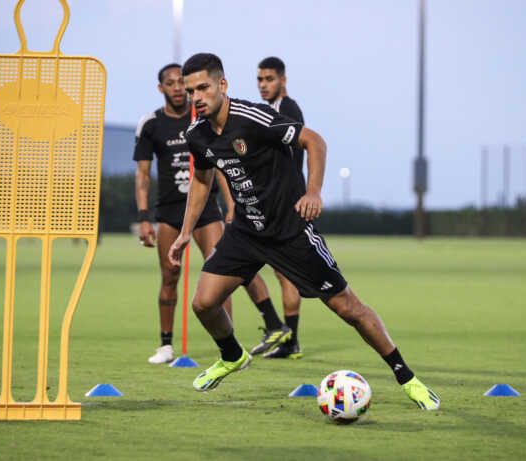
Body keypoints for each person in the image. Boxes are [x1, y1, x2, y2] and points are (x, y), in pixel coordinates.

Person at [168, 53, 440, 410]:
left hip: (291, 233)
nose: (196, 97)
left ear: (223, 85)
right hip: (246, 233)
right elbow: (202, 182)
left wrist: (313, 192)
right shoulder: (197, 134)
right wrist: (186, 231)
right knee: (203, 303)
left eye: (203, 87)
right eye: (191, 92)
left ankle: (407, 378)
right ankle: (232, 356)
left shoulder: (253, 117)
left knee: (349, 309)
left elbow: (315, 141)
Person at [134, 63, 287, 364]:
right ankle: (165, 346)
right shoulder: (151, 124)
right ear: (161, 88)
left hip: (207, 211)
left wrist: (232, 206)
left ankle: (233, 346)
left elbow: (219, 168)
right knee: (169, 275)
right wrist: (142, 216)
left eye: (184, 83)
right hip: (168, 211)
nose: (179, 89)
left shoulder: (203, 117)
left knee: (224, 271)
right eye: (172, 83)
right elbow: (142, 175)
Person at [248, 56, 307, 359]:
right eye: (259, 79)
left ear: (283, 80)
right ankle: (284, 335)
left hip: (284, 203)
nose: (263, 85)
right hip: (271, 202)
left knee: (285, 274)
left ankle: (286, 336)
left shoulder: (287, 109)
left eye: (269, 79)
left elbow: (296, 149)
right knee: (282, 274)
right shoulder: (270, 111)